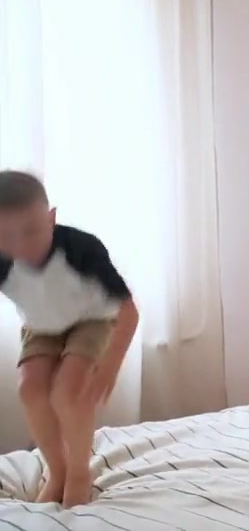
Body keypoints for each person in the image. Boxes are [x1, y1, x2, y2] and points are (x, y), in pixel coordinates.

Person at [0, 170, 139, 507]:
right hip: (42, 323)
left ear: (51, 219)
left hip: (92, 318)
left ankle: (79, 472)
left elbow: (128, 311)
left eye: (31, 232)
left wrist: (109, 368)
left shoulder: (82, 249)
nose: (20, 247)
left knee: (68, 390)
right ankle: (58, 471)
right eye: (5, 236)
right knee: (30, 388)